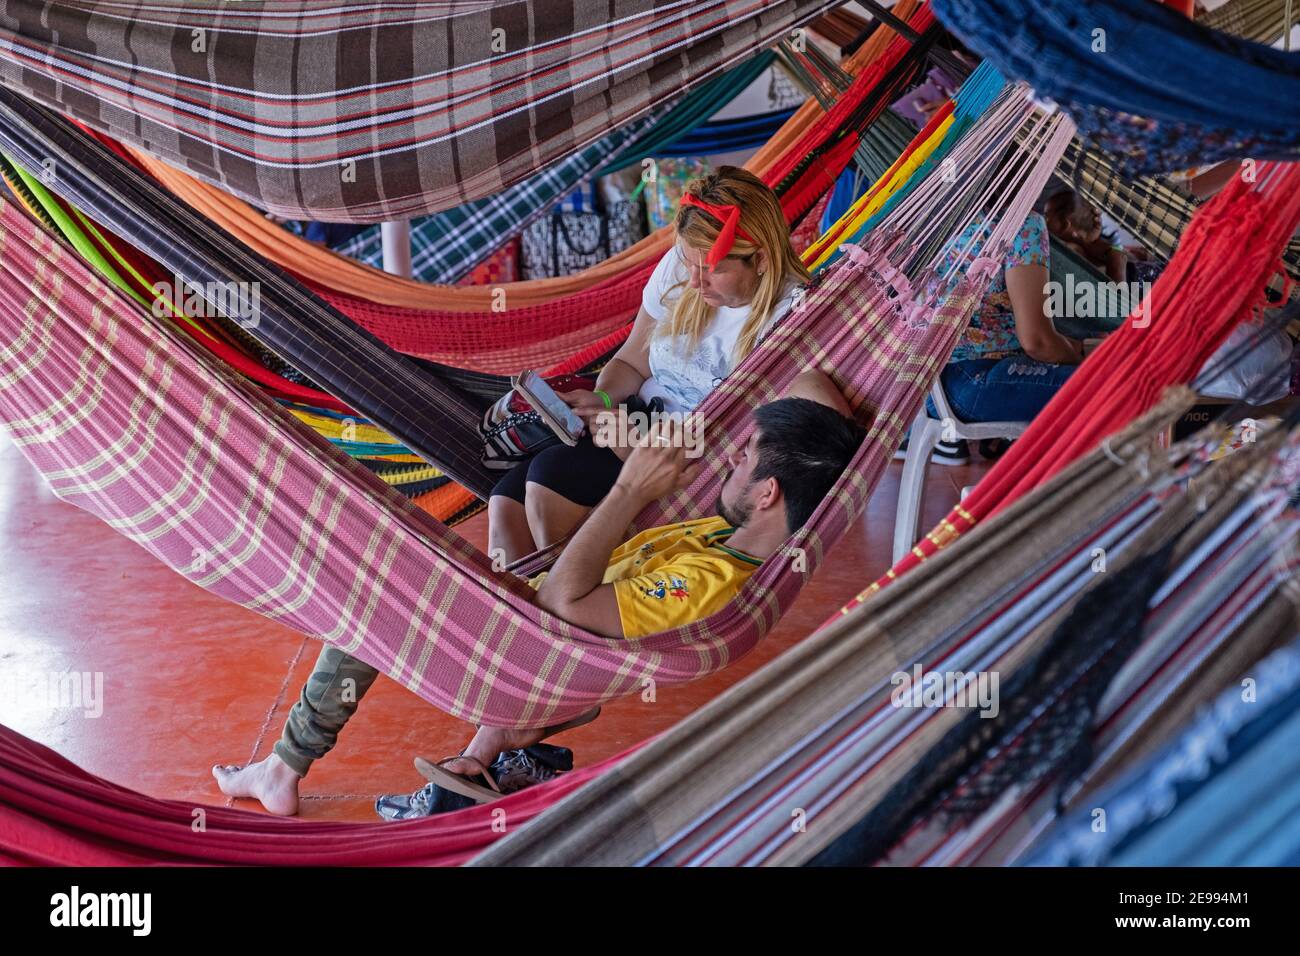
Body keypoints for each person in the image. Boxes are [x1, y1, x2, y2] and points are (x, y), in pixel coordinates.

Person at [213, 372, 866, 818]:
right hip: (520, 623)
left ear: (769, 494)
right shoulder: (728, 529)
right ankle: (477, 756)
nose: (729, 462)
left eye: (743, 460)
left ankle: (285, 767)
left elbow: (563, 608)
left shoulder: (705, 581)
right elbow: (812, 386)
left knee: (363, 595)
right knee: (393, 546)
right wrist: (828, 443)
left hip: (521, 651)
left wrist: (631, 490)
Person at [488, 166, 811, 565]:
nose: (694, 281)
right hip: (630, 422)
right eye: (689, 263)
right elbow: (630, 361)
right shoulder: (683, 266)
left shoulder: (789, 319)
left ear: (760, 259)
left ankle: (568, 610)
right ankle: (518, 615)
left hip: (683, 460)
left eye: (712, 268)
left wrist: (629, 441)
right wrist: (602, 399)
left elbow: (738, 447)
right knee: (504, 500)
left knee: (546, 484)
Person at [907, 210, 1084, 465]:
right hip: (976, 382)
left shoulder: (934, 215)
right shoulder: (1021, 223)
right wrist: (1082, 361)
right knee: (1117, 384)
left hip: (931, 392)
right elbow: (1037, 342)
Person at [1042, 189, 1128, 283]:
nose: (1043, 221)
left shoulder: (1072, 249)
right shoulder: (1097, 249)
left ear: (1065, 224)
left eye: (1046, 217)